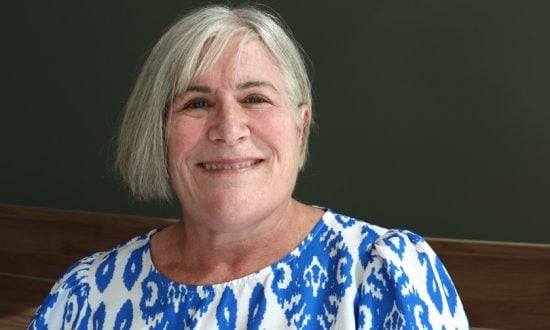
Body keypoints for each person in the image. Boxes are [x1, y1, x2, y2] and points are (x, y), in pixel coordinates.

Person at [30, 5, 468, 329]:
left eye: (255, 98)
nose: (229, 128)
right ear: (158, 131)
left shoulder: (383, 271)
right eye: (196, 103)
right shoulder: (86, 293)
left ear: (301, 125)